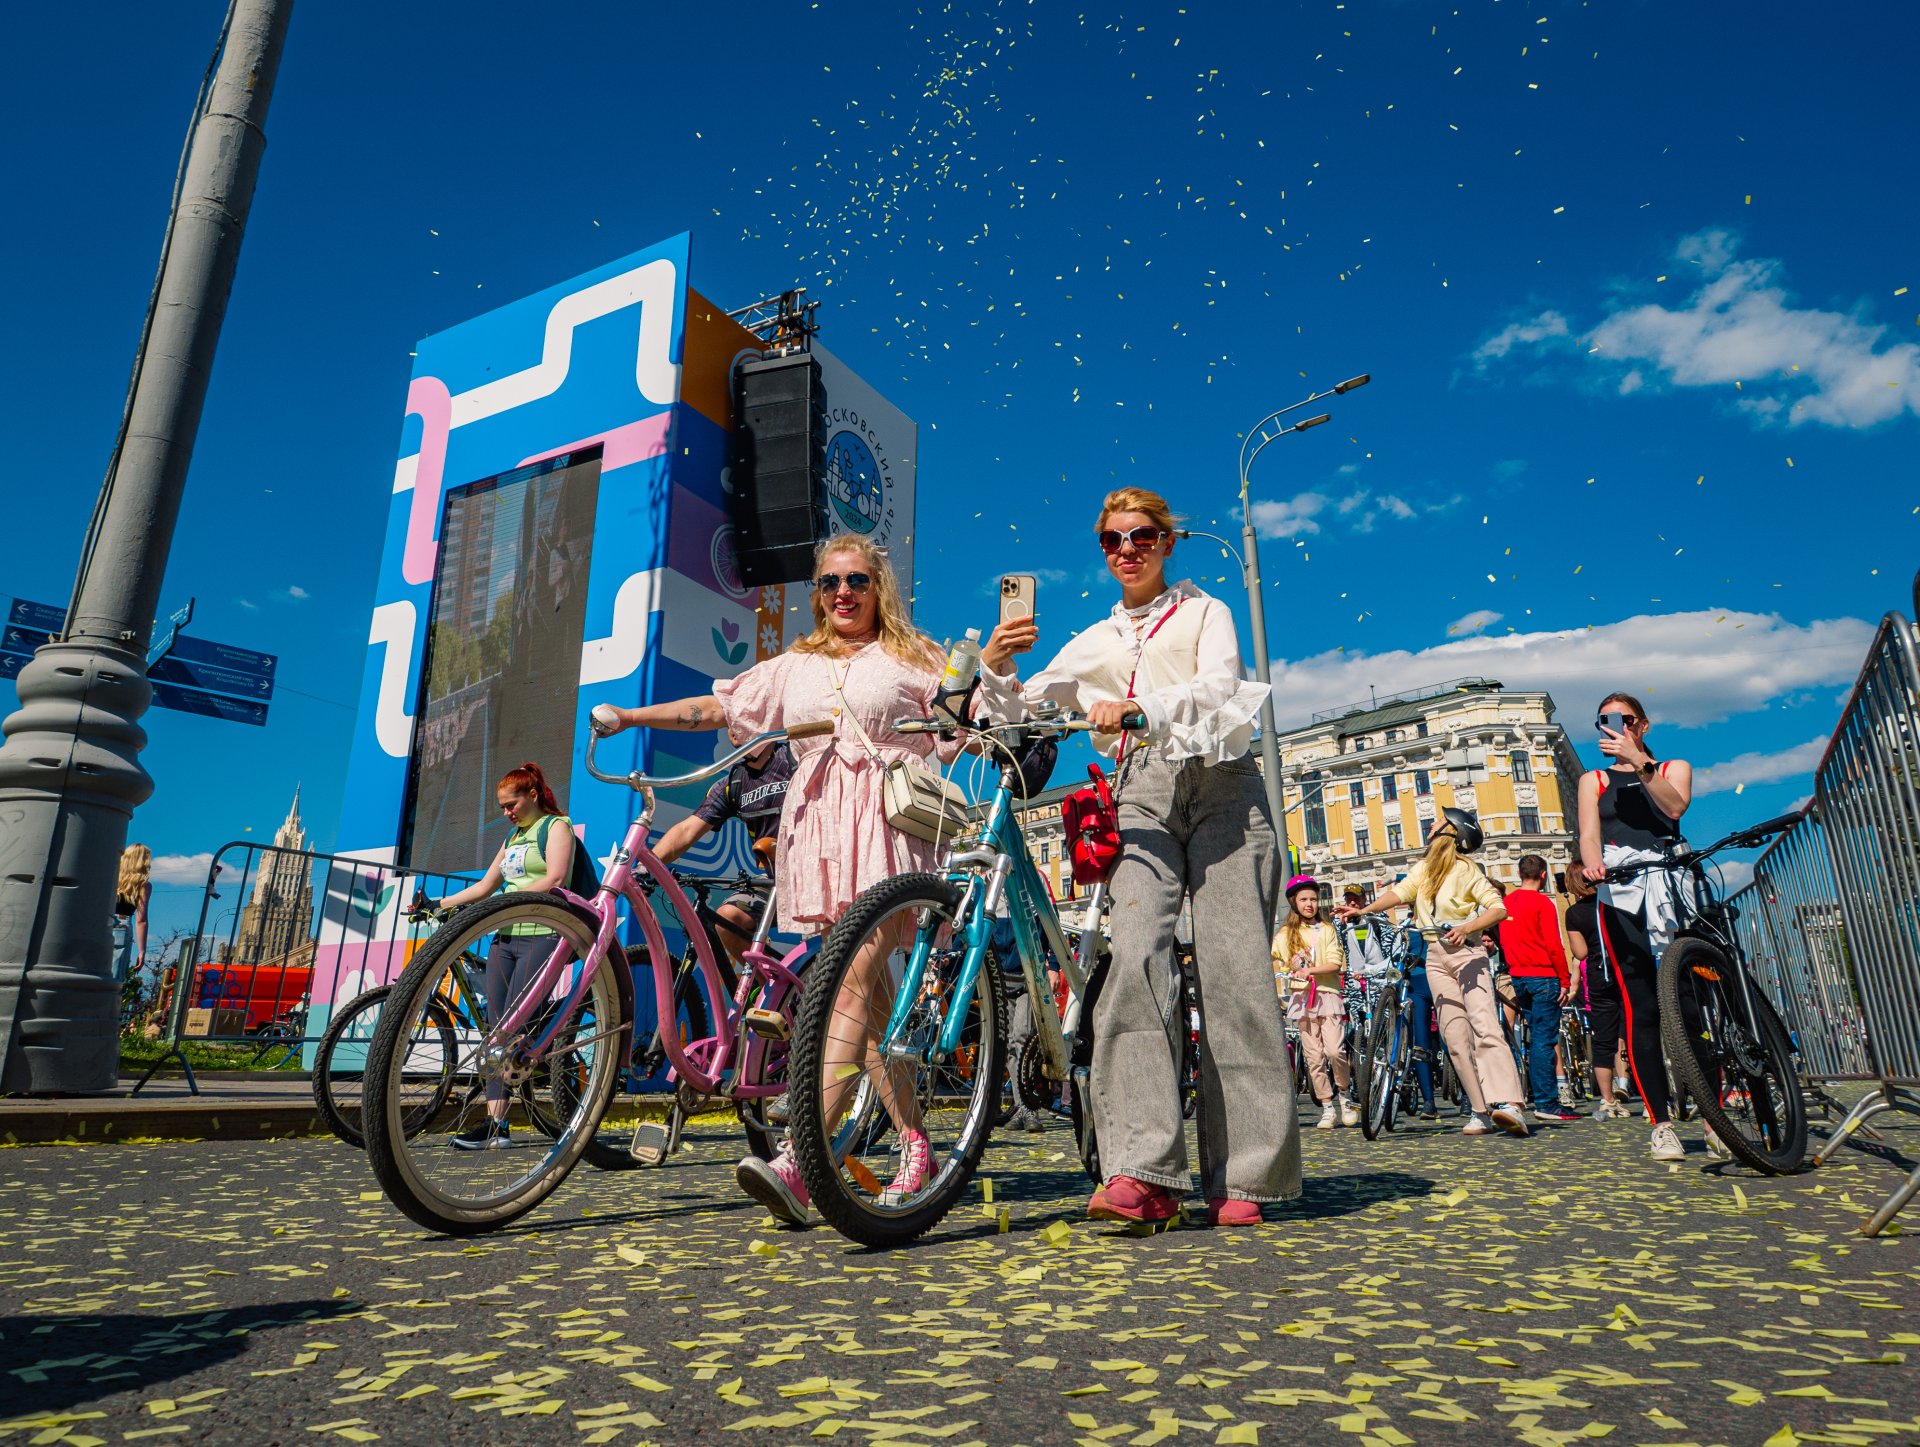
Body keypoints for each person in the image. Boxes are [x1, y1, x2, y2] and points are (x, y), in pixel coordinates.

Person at [594, 533, 963, 1224]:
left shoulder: (912, 657)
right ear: (817, 593)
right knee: (874, 1000)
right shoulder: (797, 663)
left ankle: (802, 1157)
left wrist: (988, 677)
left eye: (855, 579)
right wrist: (629, 716)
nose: (842, 593)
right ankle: (919, 1143)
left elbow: (960, 724)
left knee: (849, 982)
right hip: (817, 828)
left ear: (878, 585)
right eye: (828, 582)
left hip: (885, 824)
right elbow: (718, 707)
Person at [980, 485, 1296, 1228]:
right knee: (1135, 959)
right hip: (1140, 791)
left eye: (1143, 536)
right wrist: (995, 667)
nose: (1128, 550)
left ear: (1168, 542)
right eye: (1113, 539)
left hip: (1223, 785)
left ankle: (1245, 1173)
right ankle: (1143, 1169)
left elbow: (1222, 684)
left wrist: (1140, 708)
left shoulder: (1206, 610)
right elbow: (1019, 708)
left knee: (1234, 971)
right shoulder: (1094, 639)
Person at [1576, 692, 1724, 1163]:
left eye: (1625, 719)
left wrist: (1640, 763)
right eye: (1605, 720)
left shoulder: (1672, 766)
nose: (1614, 726)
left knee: (1692, 1004)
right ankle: (1660, 1124)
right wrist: (1594, 865)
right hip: (1620, 894)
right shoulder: (1592, 779)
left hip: (1672, 886)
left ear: (1643, 724)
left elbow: (1674, 809)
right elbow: (1589, 834)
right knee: (1641, 1007)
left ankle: (1713, 1116)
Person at [1336, 808, 1528, 1137]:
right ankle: (1480, 1111)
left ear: (1452, 832)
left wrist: (1467, 926)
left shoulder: (1468, 870)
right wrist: (1363, 910)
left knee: (1484, 1026)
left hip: (1467, 952)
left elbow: (1498, 908)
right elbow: (1399, 894)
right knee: (1454, 1037)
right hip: (1435, 954)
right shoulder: (1424, 869)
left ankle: (1510, 1105)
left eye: (1437, 824)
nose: (1430, 829)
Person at [429, 762, 577, 1150]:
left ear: (533, 795)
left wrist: (507, 900)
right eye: (502, 808)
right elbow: (485, 886)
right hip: (506, 936)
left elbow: (556, 879)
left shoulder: (556, 827)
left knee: (513, 1026)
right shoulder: (513, 837)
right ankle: (497, 1127)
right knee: (494, 1034)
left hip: (543, 934)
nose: (507, 813)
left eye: (512, 804)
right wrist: (438, 903)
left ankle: (548, 1076)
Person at [650, 739, 795, 967]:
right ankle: (770, 993)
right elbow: (687, 830)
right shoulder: (734, 781)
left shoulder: (793, 757)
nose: (738, 735)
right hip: (773, 878)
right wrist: (646, 866)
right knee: (728, 919)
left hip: (817, 872)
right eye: (733, 728)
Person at [1273, 876, 1359, 1129]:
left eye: (1313, 899)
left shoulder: (1328, 929)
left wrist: (1310, 971)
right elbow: (1271, 953)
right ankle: (1327, 1107)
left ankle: (1345, 1096)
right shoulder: (1286, 933)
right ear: (1294, 902)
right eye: (1303, 899)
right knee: (1314, 1057)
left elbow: (1335, 964)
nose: (1309, 904)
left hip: (1327, 994)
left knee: (1334, 1050)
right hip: (1301, 999)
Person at [1502, 854, 1580, 1123]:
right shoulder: (1543, 903)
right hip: (1543, 975)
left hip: (1518, 976)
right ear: (1544, 875)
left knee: (1533, 1038)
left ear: (1519, 873)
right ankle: (1546, 1102)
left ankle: (1537, 1096)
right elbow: (1553, 945)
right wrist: (1565, 979)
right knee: (1544, 1041)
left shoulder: (1506, 902)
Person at [1562, 863, 1629, 1120]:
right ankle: (1650, 1098)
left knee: (1603, 1037)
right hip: (1625, 969)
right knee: (1636, 1032)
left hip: (1599, 974)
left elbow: (1580, 953)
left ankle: (1608, 1100)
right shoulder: (1613, 904)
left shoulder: (1574, 914)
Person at [112, 844, 152, 990]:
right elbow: (141, 920)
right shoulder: (143, 886)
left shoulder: (112, 877)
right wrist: (142, 951)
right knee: (114, 979)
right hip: (121, 927)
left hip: (101, 923)